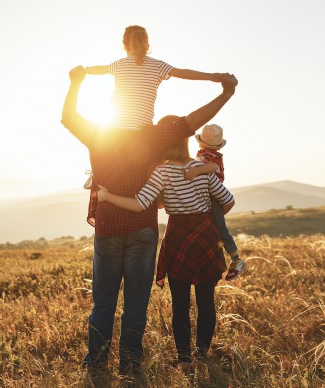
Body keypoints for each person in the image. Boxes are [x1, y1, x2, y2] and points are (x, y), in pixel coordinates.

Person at [60, 65, 237, 376]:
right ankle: (130, 363)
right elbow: (192, 122)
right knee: (136, 304)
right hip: (143, 230)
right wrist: (225, 93)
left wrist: (76, 83)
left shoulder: (98, 133)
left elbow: (69, 118)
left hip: (108, 229)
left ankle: (97, 362)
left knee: (103, 302)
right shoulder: (155, 136)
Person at [96, 132, 234, 371]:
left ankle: (184, 360)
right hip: (206, 237)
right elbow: (228, 200)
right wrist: (208, 217)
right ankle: (201, 355)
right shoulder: (202, 168)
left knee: (180, 304)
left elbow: (140, 204)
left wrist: (107, 196)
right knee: (206, 302)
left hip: (179, 237)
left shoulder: (162, 171)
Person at [84, 25, 225, 131]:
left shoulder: (119, 64)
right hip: (141, 130)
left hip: (114, 129)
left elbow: (99, 69)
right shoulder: (158, 65)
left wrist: (83, 70)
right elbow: (183, 73)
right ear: (147, 44)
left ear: (125, 45)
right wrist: (212, 77)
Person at [184, 124, 246, 280]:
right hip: (210, 195)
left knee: (220, 228)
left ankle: (236, 259)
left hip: (213, 195)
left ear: (200, 142)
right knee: (214, 227)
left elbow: (211, 167)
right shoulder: (209, 154)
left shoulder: (209, 157)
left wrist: (196, 171)